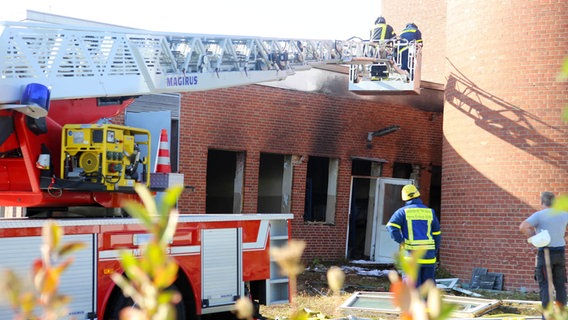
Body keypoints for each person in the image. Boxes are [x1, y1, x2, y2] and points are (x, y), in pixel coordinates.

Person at [519, 192, 568, 310]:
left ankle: (547, 316)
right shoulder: (564, 214)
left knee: (546, 285)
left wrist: (533, 238)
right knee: (560, 285)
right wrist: (564, 238)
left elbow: (523, 227)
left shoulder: (539, 215)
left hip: (545, 253)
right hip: (560, 253)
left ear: (542, 202)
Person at [387, 184, 441, 287]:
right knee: (428, 289)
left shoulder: (402, 212)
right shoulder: (430, 212)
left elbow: (391, 227)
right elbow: (437, 235)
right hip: (429, 257)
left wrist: (402, 241)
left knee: (412, 289)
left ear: (404, 198)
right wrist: (434, 251)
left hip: (411, 257)